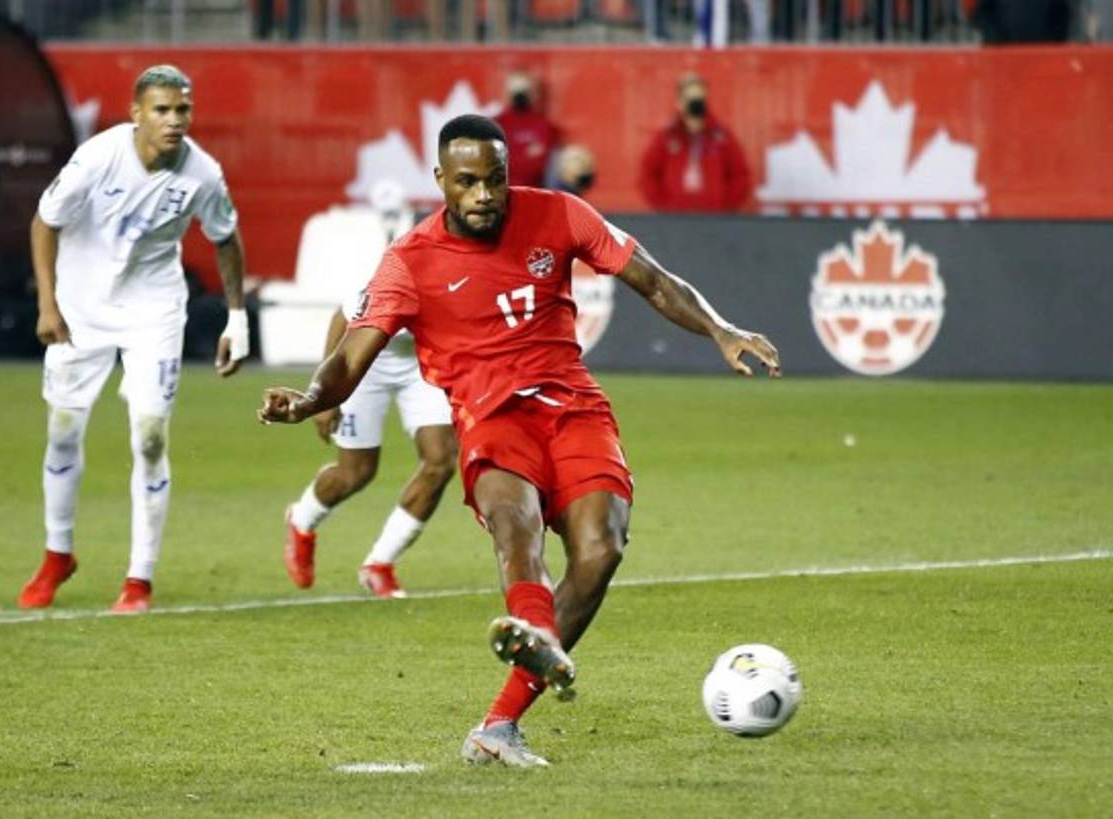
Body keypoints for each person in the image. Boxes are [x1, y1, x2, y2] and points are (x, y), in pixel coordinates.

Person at [258, 114, 780, 766]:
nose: (484, 195)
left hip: (574, 409)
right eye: (469, 182)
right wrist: (309, 399)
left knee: (601, 550)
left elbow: (651, 277)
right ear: (441, 180)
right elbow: (351, 355)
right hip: (491, 418)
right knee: (516, 522)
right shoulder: (410, 262)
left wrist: (721, 329)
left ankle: (499, 721)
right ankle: (531, 630)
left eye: (496, 181)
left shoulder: (560, 214)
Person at [18, 64, 251, 614]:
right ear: (136, 114)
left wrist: (236, 319)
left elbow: (226, 238)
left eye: (183, 110)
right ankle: (58, 554)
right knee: (64, 431)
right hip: (82, 308)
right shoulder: (98, 158)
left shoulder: (203, 173)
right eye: (163, 110)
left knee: (149, 436)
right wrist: (47, 304)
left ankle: (138, 579)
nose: (175, 121)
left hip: (154, 310)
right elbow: (44, 222)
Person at [283, 184, 458, 599]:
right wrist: (324, 395)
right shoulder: (403, 269)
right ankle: (302, 520)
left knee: (441, 461)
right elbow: (343, 319)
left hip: (419, 366)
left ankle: (380, 563)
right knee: (356, 472)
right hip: (369, 361)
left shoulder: (466, 275)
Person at [638, 72, 750, 212]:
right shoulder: (666, 138)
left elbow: (739, 175)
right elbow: (648, 175)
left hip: (715, 219)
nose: (695, 104)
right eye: (690, 99)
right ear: (679, 102)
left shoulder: (722, 137)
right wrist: (665, 207)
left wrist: (724, 207)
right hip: (674, 219)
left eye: (699, 99)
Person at [493, 71, 559, 188]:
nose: (520, 96)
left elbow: (538, 165)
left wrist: (513, 155)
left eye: (524, 91)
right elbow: (494, 163)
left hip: (535, 191)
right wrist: (525, 153)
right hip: (501, 190)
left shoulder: (543, 124)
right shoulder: (496, 123)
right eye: (516, 90)